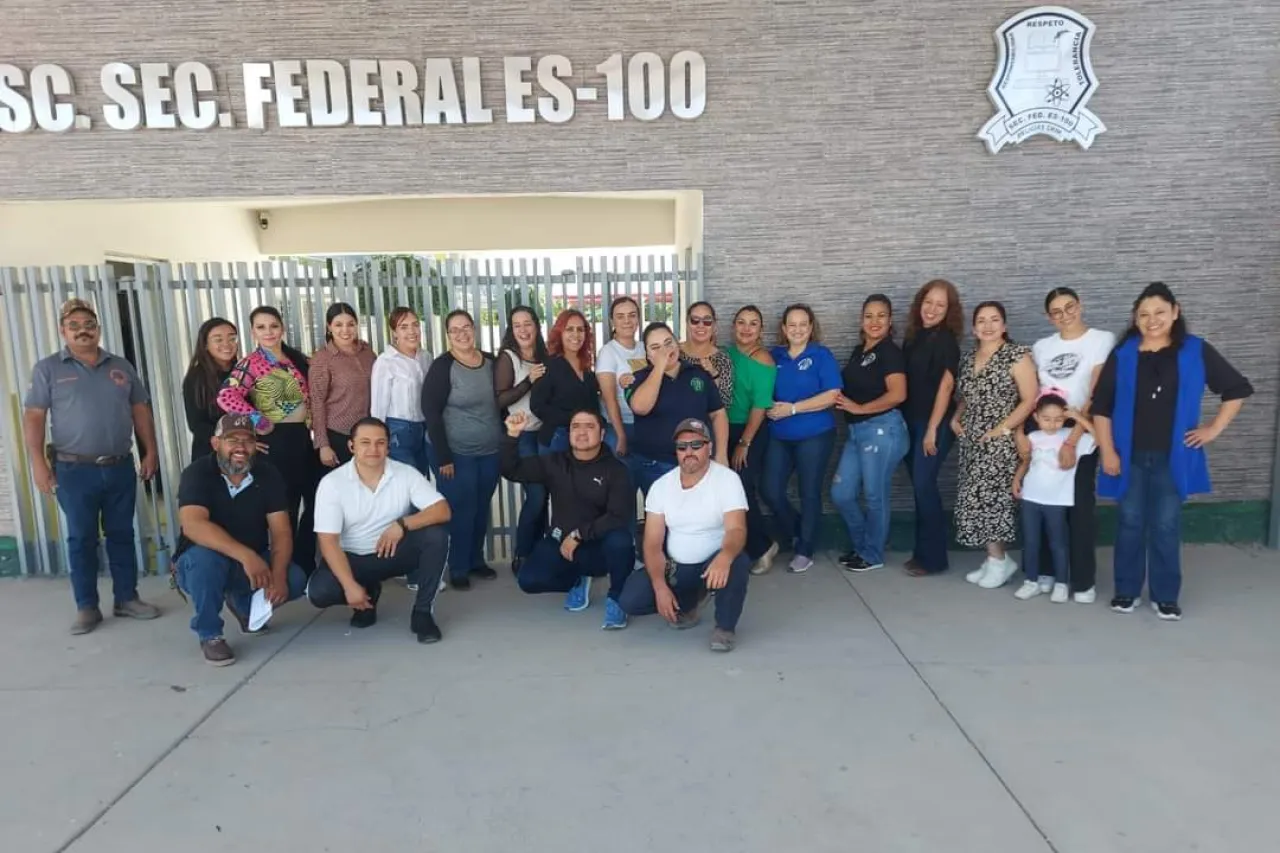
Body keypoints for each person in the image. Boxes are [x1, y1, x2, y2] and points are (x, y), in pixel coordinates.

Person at [1092, 282, 1252, 620]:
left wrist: (1213, 428)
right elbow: (1101, 406)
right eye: (1144, 314)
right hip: (1129, 455)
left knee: (1166, 525)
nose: (1152, 320)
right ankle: (1126, 590)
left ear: (1175, 312)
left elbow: (1236, 389)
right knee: (1130, 522)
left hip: (1172, 456)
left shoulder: (1195, 350)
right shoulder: (1124, 354)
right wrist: (1107, 449)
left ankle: (1165, 595)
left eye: (1160, 312)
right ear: (1135, 318)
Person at [22, 298, 162, 634]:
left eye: (88, 324)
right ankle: (87, 606)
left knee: (122, 534)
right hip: (74, 470)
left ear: (98, 329)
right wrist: (38, 464)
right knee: (81, 538)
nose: (82, 330)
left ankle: (127, 598)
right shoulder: (48, 369)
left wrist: (151, 451)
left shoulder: (121, 366)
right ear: (63, 330)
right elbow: (34, 416)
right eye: (74, 325)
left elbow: (140, 410)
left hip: (118, 466)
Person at [173, 414, 309, 665]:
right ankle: (210, 634)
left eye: (247, 440)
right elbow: (193, 525)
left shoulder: (267, 474)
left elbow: (281, 531)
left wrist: (277, 575)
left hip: (251, 560)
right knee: (206, 563)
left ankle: (245, 607)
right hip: (203, 561)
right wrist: (246, 556)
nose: (240, 447)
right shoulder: (197, 472)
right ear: (216, 443)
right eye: (232, 440)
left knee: (294, 578)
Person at [308, 417, 452, 643]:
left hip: (390, 552)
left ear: (388, 445)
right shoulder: (332, 483)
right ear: (351, 446)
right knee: (319, 592)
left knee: (436, 536)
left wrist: (403, 525)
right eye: (365, 442)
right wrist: (350, 587)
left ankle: (423, 613)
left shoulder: (405, 473)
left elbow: (442, 510)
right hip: (352, 558)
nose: (373, 449)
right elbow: (328, 542)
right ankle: (367, 596)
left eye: (380, 442)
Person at [618, 418, 751, 652]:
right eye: (682, 447)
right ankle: (690, 603)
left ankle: (725, 627)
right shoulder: (661, 486)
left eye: (696, 445)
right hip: (677, 566)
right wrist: (659, 586)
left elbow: (737, 529)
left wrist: (725, 556)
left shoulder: (727, 480)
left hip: (714, 561)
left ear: (709, 447)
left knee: (738, 561)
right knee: (630, 600)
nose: (689, 452)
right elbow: (652, 543)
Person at [500, 409, 634, 629]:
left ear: (602, 434)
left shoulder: (616, 470)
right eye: (575, 427)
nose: (581, 432)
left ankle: (616, 597)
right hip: (562, 542)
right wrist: (513, 436)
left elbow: (618, 515)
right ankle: (578, 578)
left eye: (589, 426)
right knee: (528, 580)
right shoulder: (554, 462)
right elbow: (512, 470)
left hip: (599, 544)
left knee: (621, 541)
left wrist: (579, 534)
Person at [217, 305, 320, 572]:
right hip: (277, 440)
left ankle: (303, 562)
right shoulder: (250, 363)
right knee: (282, 505)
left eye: (273, 326)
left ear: (282, 328)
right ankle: (279, 566)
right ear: (253, 332)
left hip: (302, 438)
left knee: (312, 500)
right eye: (261, 327)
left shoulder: (295, 359)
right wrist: (257, 421)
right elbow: (226, 396)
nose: (269, 332)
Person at [1029, 287, 1115, 603]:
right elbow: (1036, 394)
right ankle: (1049, 573)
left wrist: (1073, 440)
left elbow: (1095, 393)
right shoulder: (1041, 347)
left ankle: (1082, 581)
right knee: (1046, 504)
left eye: (1070, 307)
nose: (1065, 315)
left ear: (1080, 306)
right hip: (1046, 434)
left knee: (1079, 508)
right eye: (1056, 311)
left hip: (1081, 430)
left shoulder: (1100, 340)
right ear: (1048, 317)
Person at [952, 301, 1038, 589]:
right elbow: (966, 395)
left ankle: (1000, 561)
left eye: (994, 320)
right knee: (973, 500)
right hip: (972, 439)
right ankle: (994, 560)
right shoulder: (968, 358)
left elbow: (1029, 398)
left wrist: (1003, 429)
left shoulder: (1016, 355)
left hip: (1000, 439)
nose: (988, 326)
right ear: (974, 327)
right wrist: (956, 416)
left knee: (992, 501)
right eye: (982, 321)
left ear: (1004, 325)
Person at [422, 309, 503, 590]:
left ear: (474, 329)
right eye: (455, 330)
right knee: (461, 509)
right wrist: (444, 456)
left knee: (481, 507)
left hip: (490, 450)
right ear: (447, 336)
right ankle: (457, 566)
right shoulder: (443, 367)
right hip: (454, 454)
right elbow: (430, 412)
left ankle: (475, 560)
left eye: (466, 327)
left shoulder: (491, 362)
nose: (462, 334)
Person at [831, 294, 910, 573]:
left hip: (882, 429)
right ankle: (864, 544)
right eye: (869, 316)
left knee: (875, 495)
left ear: (890, 321)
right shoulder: (859, 352)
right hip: (856, 432)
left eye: (881, 316)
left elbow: (899, 394)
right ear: (861, 320)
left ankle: (873, 553)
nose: (874, 322)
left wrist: (861, 408)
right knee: (841, 493)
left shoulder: (890, 352)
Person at [762, 304, 840, 574]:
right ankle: (797, 529)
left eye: (803, 324)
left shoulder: (821, 355)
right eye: (791, 324)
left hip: (815, 434)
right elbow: (759, 385)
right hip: (779, 434)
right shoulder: (775, 356)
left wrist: (793, 408)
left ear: (811, 327)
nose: (797, 329)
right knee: (770, 489)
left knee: (809, 491)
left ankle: (805, 548)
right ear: (783, 328)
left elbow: (832, 395)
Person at [901, 279, 964, 577]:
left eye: (940, 305)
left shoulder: (946, 340)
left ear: (949, 311)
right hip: (912, 421)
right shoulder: (914, 337)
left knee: (925, 486)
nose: (932, 309)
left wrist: (932, 429)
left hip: (933, 425)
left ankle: (934, 559)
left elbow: (947, 386)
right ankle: (922, 553)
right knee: (920, 488)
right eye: (928, 302)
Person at [627, 321, 729, 496]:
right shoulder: (637, 378)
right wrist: (659, 366)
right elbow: (640, 407)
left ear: (677, 343)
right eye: (655, 347)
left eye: (668, 343)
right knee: (661, 519)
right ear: (648, 355)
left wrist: (721, 454)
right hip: (654, 464)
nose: (665, 350)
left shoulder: (698, 374)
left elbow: (718, 413)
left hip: (696, 461)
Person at [1011, 393, 1096, 603]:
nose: (1052, 424)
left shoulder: (1072, 438)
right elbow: (1027, 461)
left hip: (1058, 501)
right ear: (1036, 417)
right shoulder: (1034, 437)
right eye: (1047, 419)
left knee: (1059, 543)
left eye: (1058, 418)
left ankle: (1061, 583)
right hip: (1031, 497)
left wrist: (1079, 417)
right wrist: (1017, 479)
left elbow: (1098, 437)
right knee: (1031, 541)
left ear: (1065, 418)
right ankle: (1031, 581)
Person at [724, 305, 779, 575]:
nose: (746, 328)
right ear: (733, 326)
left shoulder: (764, 360)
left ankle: (763, 546)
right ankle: (740, 547)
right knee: (727, 491)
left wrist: (744, 443)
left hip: (751, 431)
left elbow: (760, 406)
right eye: (741, 322)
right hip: (725, 428)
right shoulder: (726, 354)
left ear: (761, 330)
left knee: (742, 489)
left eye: (753, 324)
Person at [493, 306, 549, 572]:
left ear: (536, 326)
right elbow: (500, 399)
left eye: (528, 324)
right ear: (511, 330)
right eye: (517, 325)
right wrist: (529, 380)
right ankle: (523, 555)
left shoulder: (543, 355)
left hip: (544, 435)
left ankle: (539, 552)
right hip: (522, 435)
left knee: (545, 496)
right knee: (536, 497)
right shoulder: (508, 358)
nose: (524, 330)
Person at [310, 302, 376, 468]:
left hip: (368, 433)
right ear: (329, 327)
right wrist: (323, 445)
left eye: (350, 324)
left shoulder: (367, 352)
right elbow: (317, 402)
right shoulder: (322, 359)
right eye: (338, 325)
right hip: (338, 435)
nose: (345, 330)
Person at [371, 306, 434, 472]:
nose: (411, 331)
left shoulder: (425, 357)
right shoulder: (386, 362)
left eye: (415, 325)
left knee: (421, 481)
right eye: (403, 327)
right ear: (394, 332)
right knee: (407, 484)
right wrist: (377, 440)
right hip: (397, 432)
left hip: (423, 429)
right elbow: (378, 406)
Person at [531, 309, 600, 453]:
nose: (576, 334)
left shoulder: (586, 366)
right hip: (557, 439)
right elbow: (537, 405)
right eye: (569, 329)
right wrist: (574, 420)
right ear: (559, 333)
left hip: (584, 439)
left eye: (580, 330)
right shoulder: (548, 365)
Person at [596, 295, 646, 465]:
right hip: (619, 426)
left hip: (645, 424)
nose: (627, 321)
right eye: (620, 316)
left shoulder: (644, 347)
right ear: (612, 322)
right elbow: (609, 399)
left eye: (632, 315)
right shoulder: (608, 352)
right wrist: (621, 435)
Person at [182, 317, 239, 461]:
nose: (226, 344)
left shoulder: (245, 371)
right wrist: (234, 440)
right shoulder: (196, 378)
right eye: (218, 339)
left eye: (232, 338)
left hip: (246, 452)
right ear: (205, 344)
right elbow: (197, 424)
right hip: (211, 454)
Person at [680, 301, 734, 407]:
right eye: (695, 320)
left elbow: (725, 402)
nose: (701, 325)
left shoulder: (722, 359)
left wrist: (714, 374)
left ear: (714, 325)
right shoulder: (674, 354)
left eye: (707, 321)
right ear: (687, 323)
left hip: (709, 421)